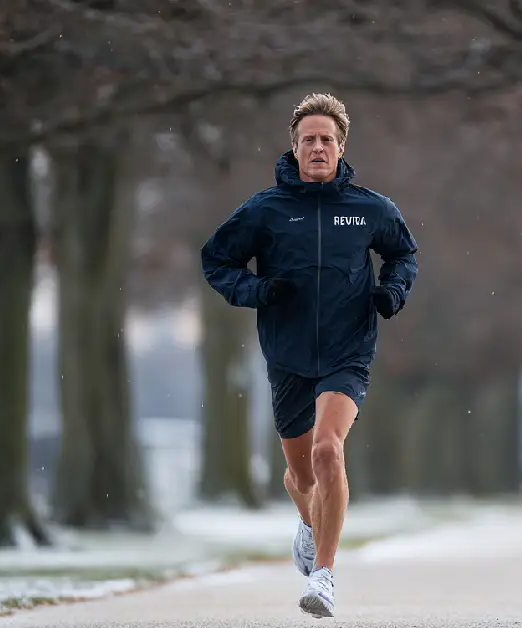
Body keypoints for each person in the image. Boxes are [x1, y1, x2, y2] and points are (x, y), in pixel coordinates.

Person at [199, 93, 419, 618]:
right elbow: (217, 261)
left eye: (326, 140)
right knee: (301, 478)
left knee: (327, 450)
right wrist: (258, 291)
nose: (318, 148)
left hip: (348, 350)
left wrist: (392, 291)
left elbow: (403, 254)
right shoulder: (265, 210)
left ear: (341, 147)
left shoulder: (370, 209)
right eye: (308, 140)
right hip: (287, 354)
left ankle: (324, 576)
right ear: (294, 148)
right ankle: (307, 520)